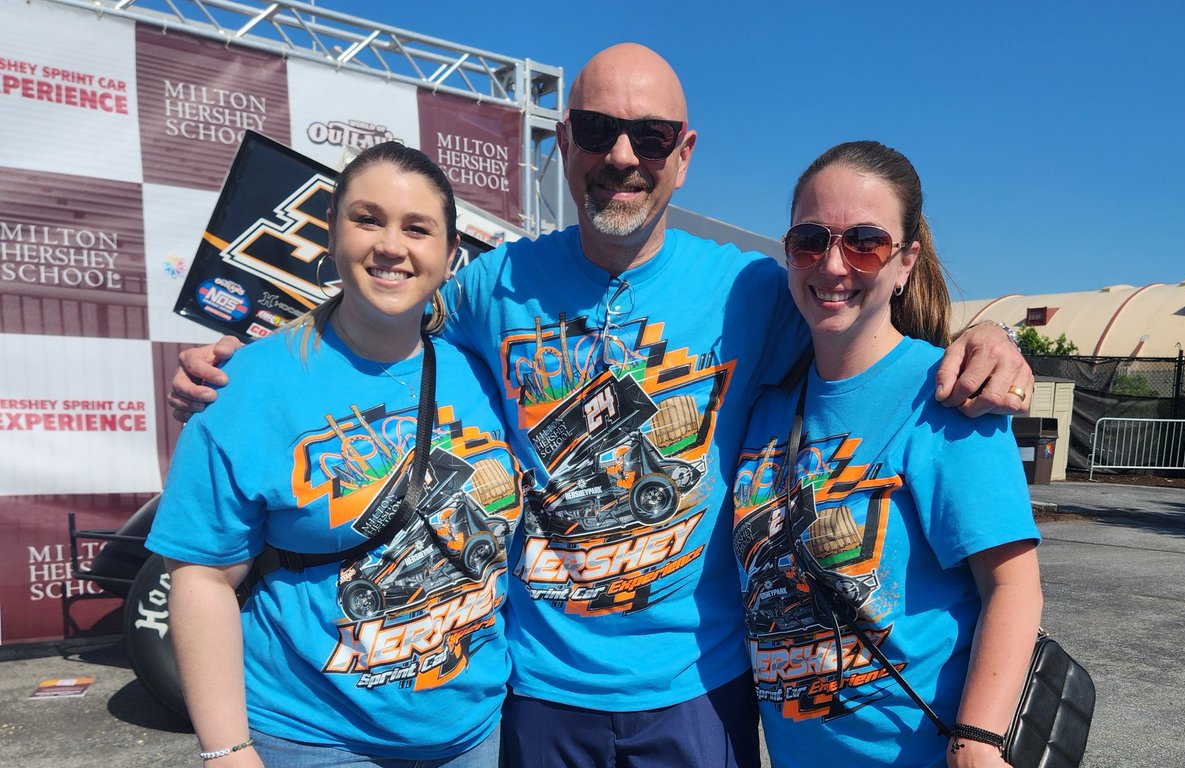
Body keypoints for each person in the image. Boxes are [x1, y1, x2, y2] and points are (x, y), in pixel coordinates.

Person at [168, 44, 1033, 768]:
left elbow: (861, 321)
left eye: (650, 136)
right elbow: (376, 315)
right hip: (538, 689)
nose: (623, 154)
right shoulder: (491, 286)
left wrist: (990, 342)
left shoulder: (756, 291)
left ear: (683, 152)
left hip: (700, 684)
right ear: (562, 142)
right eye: (597, 130)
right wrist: (244, 356)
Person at [147, 142, 522, 767]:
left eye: (417, 228)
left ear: (450, 256)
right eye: (367, 219)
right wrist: (226, 751)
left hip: (473, 734)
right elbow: (203, 577)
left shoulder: (485, 375)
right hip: (313, 739)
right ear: (332, 232)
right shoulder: (247, 386)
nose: (392, 246)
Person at [731, 140, 1043, 768]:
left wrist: (979, 741)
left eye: (865, 242)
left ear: (905, 263)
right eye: (810, 240)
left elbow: (1014, 586)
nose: (834, 264)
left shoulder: (951, 400)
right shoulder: (765, 408)